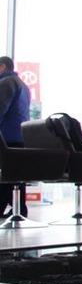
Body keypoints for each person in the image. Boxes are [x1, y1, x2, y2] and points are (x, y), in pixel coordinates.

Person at [0, 56, 31, 216]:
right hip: (20, 137)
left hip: (6, 137)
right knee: (16, 173)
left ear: (2, 67)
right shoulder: (22, 85)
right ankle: (19, 209)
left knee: (6, 174)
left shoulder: (6, 83)